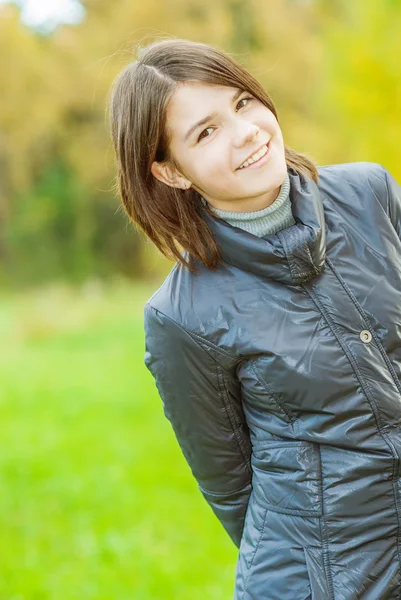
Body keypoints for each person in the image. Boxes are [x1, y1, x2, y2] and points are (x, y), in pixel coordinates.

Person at [108, 37, 401, 599]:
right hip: (323, 578)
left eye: (242, 102)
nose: (246, 132)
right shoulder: (181, 316)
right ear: (171, 173)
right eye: (206, 132)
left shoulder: (370, 194)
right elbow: (230, 485)